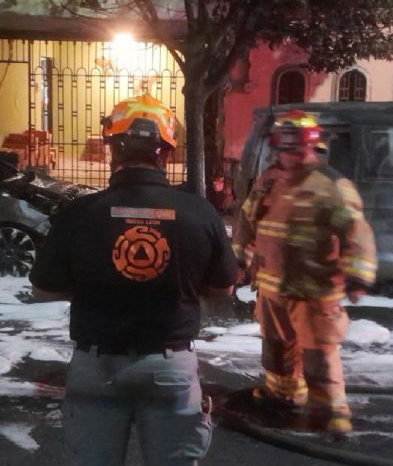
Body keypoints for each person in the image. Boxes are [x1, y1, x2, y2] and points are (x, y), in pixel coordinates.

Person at [29, 93, 238, 466]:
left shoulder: (79, 213)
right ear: (166, 153)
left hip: (96, 366)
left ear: (112, 148)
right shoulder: (200, 213)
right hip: (171, 365)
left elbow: (44, 286)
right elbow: (223, 287)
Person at [231, 109, 377, 435]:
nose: (289, 155)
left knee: (317, 353)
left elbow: (357, 232)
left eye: (295, 148)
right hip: (272, 286)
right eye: (283, 148)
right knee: (276, 348)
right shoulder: (268, 181)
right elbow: (247, 221)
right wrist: (239, 258)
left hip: (314, 288)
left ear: (312, 146)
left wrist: (358, 275)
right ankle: (283, 395)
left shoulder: (332, 185)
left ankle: (330, 412)